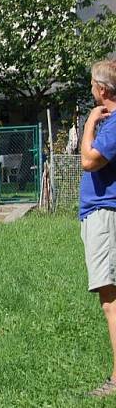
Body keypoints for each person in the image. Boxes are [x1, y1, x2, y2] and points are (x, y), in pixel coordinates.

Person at [80, 60, 116, 397]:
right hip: (101, 214)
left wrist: (90, 121)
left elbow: (89, 160)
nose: (92, 90)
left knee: (111, 299)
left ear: (102, 90)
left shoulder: (114, 123)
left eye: (93, 84)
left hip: (106, 214)